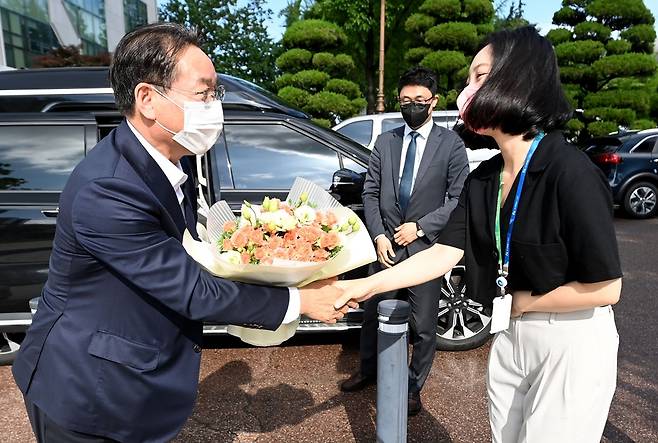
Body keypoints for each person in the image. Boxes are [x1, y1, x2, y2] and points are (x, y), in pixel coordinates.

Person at [12, 23, 350, 443]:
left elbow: (188, 251)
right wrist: (301, 300)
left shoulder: (175, 158)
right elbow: (191, 291)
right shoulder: (109, 187)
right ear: (148, 99)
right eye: (204, 94)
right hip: (89, 390)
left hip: (131, 374)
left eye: (216, 94)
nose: (215, 106)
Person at [335, 26, 622, 443]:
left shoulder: (569, 172)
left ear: (519, 79)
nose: (466, 92)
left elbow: (606, 288)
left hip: (571, 339)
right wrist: (366, 286)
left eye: (479, 78)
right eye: (468, 80)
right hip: (509, 333)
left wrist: (523, 300)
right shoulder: (485, 178)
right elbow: (443, 252)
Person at [339, 66, 469, 416]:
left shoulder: (452, 145)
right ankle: (369, 371)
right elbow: (370, 192)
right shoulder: (386, 141)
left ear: (434, 101)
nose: (411, 106)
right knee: (372, 315)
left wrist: (421, 228)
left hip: (426, 249)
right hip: (386, 246)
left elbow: (458, 198)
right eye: (405, 100)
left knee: (423, 325)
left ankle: (413, 385)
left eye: (419, 100)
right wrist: (379, 234)